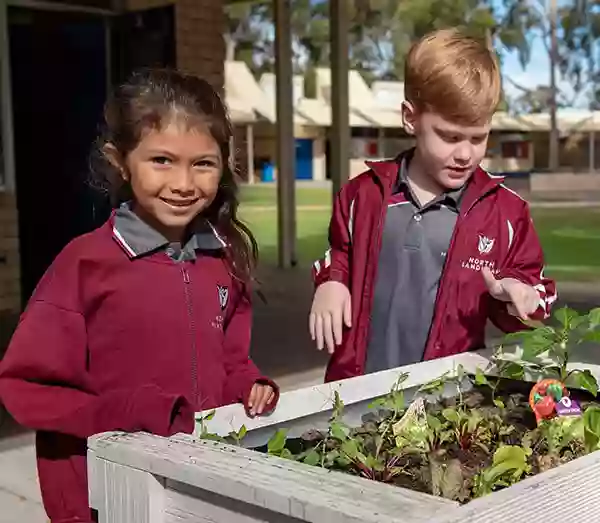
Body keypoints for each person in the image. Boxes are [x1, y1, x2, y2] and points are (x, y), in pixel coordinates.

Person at [0, 69, 278, 523]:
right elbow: (26, 388)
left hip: (198, 488)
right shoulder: (85, 264)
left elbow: (230, 359)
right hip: (109, 494)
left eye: (203, 163)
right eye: (162, 160)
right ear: (121, 160)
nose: (184, 183)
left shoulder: (224, 259)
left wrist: (248, 385)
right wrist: (126, 412)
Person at [309, 28, 557, 383]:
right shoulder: (362, 195)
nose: (465, 154)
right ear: (411, 118)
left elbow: (533, 299)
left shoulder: (505, 213)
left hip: (443, 402)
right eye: (450, 136)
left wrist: (519, 296)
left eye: (478, 137)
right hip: (354, 395)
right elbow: (341, 252)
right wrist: (331, 283)